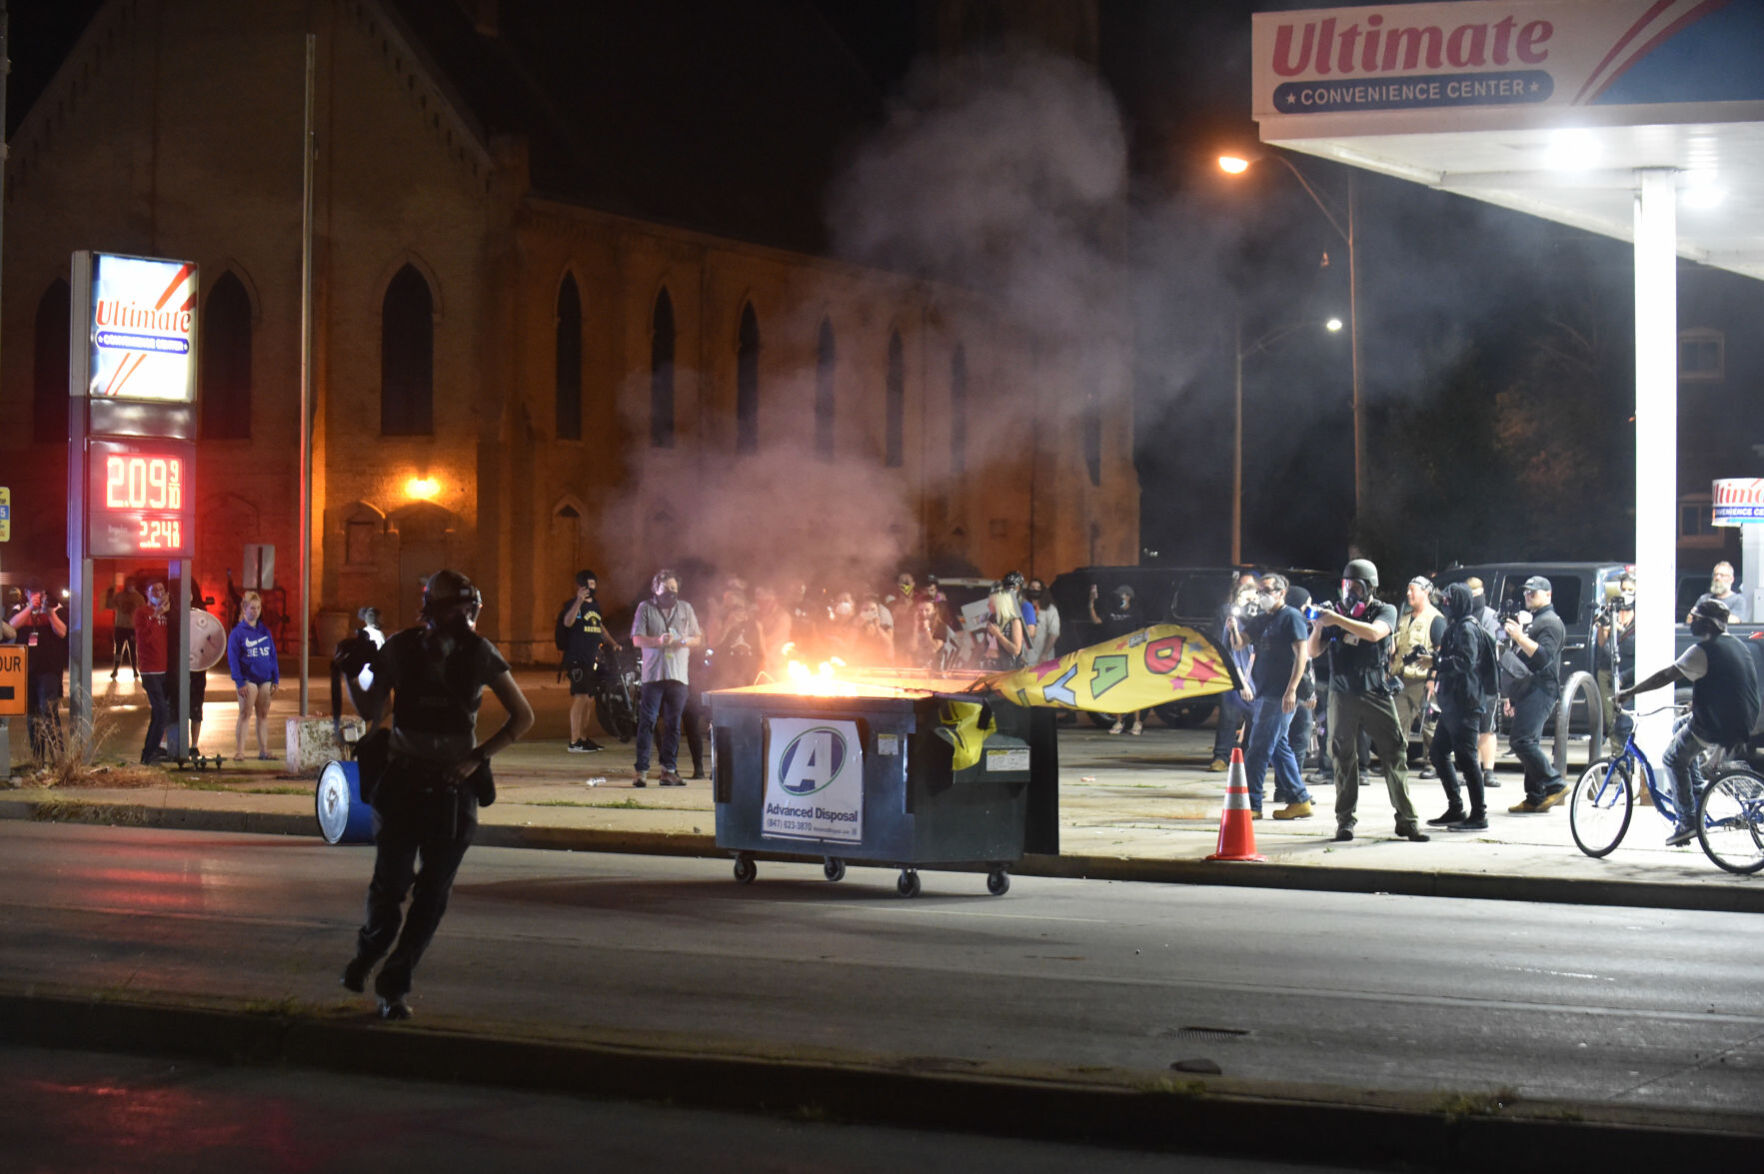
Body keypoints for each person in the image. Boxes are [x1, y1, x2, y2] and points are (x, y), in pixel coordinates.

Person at [342, 569, 534, 1020]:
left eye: (467, 609)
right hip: (405, 785)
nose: (463, 618)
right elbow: (373, 710)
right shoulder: (403, 648)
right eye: (457, 609)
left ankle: (392, 986)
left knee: (429, 896)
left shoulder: (478, 652)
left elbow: (522, 716)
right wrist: (352, 672)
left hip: (451, 792)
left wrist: (477, 758)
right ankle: (370, 953)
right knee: (391, 889)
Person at [1620, 595, 1761, 846]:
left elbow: (1665, 676)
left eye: (1695, 618)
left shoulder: (1703, 650)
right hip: (1742, 717)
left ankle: (1687, 822)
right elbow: (1724, 682)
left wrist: (1630, 692)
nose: (1690, 621)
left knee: (1672, 758)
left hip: (1717, 723)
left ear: (1708, 624)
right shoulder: (1737, 645)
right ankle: (1695, 791)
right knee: (1678, 726)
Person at [1308, 558, 1429, 843]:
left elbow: (1375, 633)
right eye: (1347, 585)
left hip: (1375, 690)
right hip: (1342, 693)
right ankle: (1345, 822)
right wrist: (1318, 625)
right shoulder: (1335, 612)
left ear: (1370, 588)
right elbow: (1313, 651)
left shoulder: (1384, 610)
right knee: (1342, 757)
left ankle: (1407, 821)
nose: (1350, 592)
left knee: (1395, 753)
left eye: (1357, 587)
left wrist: (1336, 619)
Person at [1427, 583, 1499, 831]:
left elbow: (1465, 662)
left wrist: (1437, 661)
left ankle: (1479, 815)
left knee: (1467, 759)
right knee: (1438, 753)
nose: (1444, 605)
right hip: (1453, 704)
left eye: (1448, 601)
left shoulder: (1467, 628)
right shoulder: (1457, 626)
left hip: (1465, 703)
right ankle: (1456, 807)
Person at [1240, 574, 1312, 819]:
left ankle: (1252, 804)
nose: (1262, 595)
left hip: (1280, 694)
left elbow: (1302, 655)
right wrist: (1233, 626)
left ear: (1281, 593)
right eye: (1259, 591)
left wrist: (1292, 690)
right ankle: (1299, 799)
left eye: (1267, 590)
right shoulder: (1262, 619)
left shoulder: (1291, 617)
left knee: (1258, 748)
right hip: (1264, 691)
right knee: (1278, 746)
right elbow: (1240, 643)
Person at [630, 568, 702, 787]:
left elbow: (697, 638)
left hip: (678, 675)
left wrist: (682, 642)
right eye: (665, 588)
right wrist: (658, 641)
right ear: (655, 589)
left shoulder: (686, 608)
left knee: (674, 725)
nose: (670, 592)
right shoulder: (645, 608)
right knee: (648, 722)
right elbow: (636, 639)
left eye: (673, 588)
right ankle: (641, 771)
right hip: (653, 675)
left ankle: (668, 771)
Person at [1503, 576, 1568, 814]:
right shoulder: (1536, 620)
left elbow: (1542, 658)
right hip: (1528, 687)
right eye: (1526, 592)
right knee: (1529, 740)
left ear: (1548, 595)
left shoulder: (1551, 622)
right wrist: (1512, 695)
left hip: (1541, 687)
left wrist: (1520, 637)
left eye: (1534, 592)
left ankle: (1555, 784)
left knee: (1522, 741)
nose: (1528, 595)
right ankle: (1535, 796)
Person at [555, 569, 622, 753]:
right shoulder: (573, 605)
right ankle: (574, 741)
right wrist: (578, 601)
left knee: (589, 698)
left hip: (592, 659)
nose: (591, 588)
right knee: (580, 697)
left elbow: (599, 626)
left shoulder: (595, 606)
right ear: (580, 586)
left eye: (594, 584)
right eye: (588, 585)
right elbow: (567, 622)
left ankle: (583, 738)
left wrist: (613, 643)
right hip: (577, 659)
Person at [8, 585, 69, 764]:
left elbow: (62, 632)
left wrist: (49, 613)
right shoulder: (20, 609)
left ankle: (58, 758)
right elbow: (11, 626)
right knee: (33, 715)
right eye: (32, 593)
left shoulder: (56, 608)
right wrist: (30, 608)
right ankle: (38, 759)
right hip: (27, 671)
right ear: (26, 594)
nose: (37, 596)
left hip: (49, 670)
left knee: (48, 711)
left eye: (40, 593)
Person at [1392, 576, 1445, 774]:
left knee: (1430, 724)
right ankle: (1397, 761)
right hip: (1402, 679)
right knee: (1398, 722)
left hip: (1424, 680)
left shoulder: (1436, 619)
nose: (1408, 594)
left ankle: (1433, 763)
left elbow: (1440, 651)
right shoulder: (1405, 618)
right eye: (1408, 589)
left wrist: (1433, 679)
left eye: (1412, 590)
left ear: (1426, 592)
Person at [1211, 575, 1261, 767]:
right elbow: (1229, 652)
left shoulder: (1261, 620)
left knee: (1254, 720)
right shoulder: (1231, 620)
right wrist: (1241, 683)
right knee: (1229, 715)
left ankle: (1248, 759)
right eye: (1246, 598)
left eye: (1254, 597)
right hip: (1235, 676)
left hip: (1256, 678)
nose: (1251, 603)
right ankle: (1221, 756)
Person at [227, 589, 281, 760]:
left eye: (258, 608)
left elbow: (272, 655)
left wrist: (275, 678)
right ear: (244, 608)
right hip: (248, 680)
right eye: (252, 608)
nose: (255, 611)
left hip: (265, 679)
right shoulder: (237, 633)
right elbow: (233, 659)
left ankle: (264, 750)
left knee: (263, 715)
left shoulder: (265, 631)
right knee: (245, 714)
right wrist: (239, 681)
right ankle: (240, 752)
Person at [1088, 583, 1144, 735]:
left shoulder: (1136, 613)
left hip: (1131, 655)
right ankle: (1119, 721)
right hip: (1114, 655)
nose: (1119, 598)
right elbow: (1097, 621)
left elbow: (1142, 633)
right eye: (1118, 595)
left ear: (1129, 597)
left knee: (1133, 689)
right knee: (1116, 687)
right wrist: (1091, 603)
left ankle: (1137, 722)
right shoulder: (1111, 611)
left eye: (1122, 595)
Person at [1464, 577, 1503, 786]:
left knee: (1487, 727)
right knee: (1469, 727)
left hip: (1486, 679)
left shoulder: (1490, 616)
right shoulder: (1462, 616)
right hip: (1467, 680)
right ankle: (1472, 770)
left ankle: (1489, 771)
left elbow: (1491, 643)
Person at [332, 606, 388, 740]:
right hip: (371, 675)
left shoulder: (366, 633)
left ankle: (365, 730)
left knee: (374, 711)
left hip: (365, 675)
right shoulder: (377, 635)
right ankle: (365, 731)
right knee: (376, 710)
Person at [135, 583, 172, 764]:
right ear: (147, 593)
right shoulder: (142, 612)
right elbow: (143, 637)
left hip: (164, 669)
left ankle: (152, 750)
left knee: (159, 714)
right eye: (154, 590)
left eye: (161, 590)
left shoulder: (167, 613)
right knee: (161, 712)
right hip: (150, 670)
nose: (158, 593)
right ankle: (149, 753)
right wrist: (156, 614)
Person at [107, 579, 146, 681]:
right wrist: (109, 596)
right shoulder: (120, 596)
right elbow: (110, 606)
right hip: (120, 627)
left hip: (132, 627)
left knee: (132, 650)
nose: (130, 586)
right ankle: (116, 669)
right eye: (129, 584)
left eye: (132, 584)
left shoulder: (138, 597)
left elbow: (143, 612)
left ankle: (134, 670)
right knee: (118, 650)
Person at [1024, 577, 1061, 665]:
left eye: (1038, 588)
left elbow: (1054, 633)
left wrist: (1045, 654)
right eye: (1032, 588)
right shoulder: (1024, 607)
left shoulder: (1050, 609)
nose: (1035, 590)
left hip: (1043, 658)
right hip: (1026, 658)